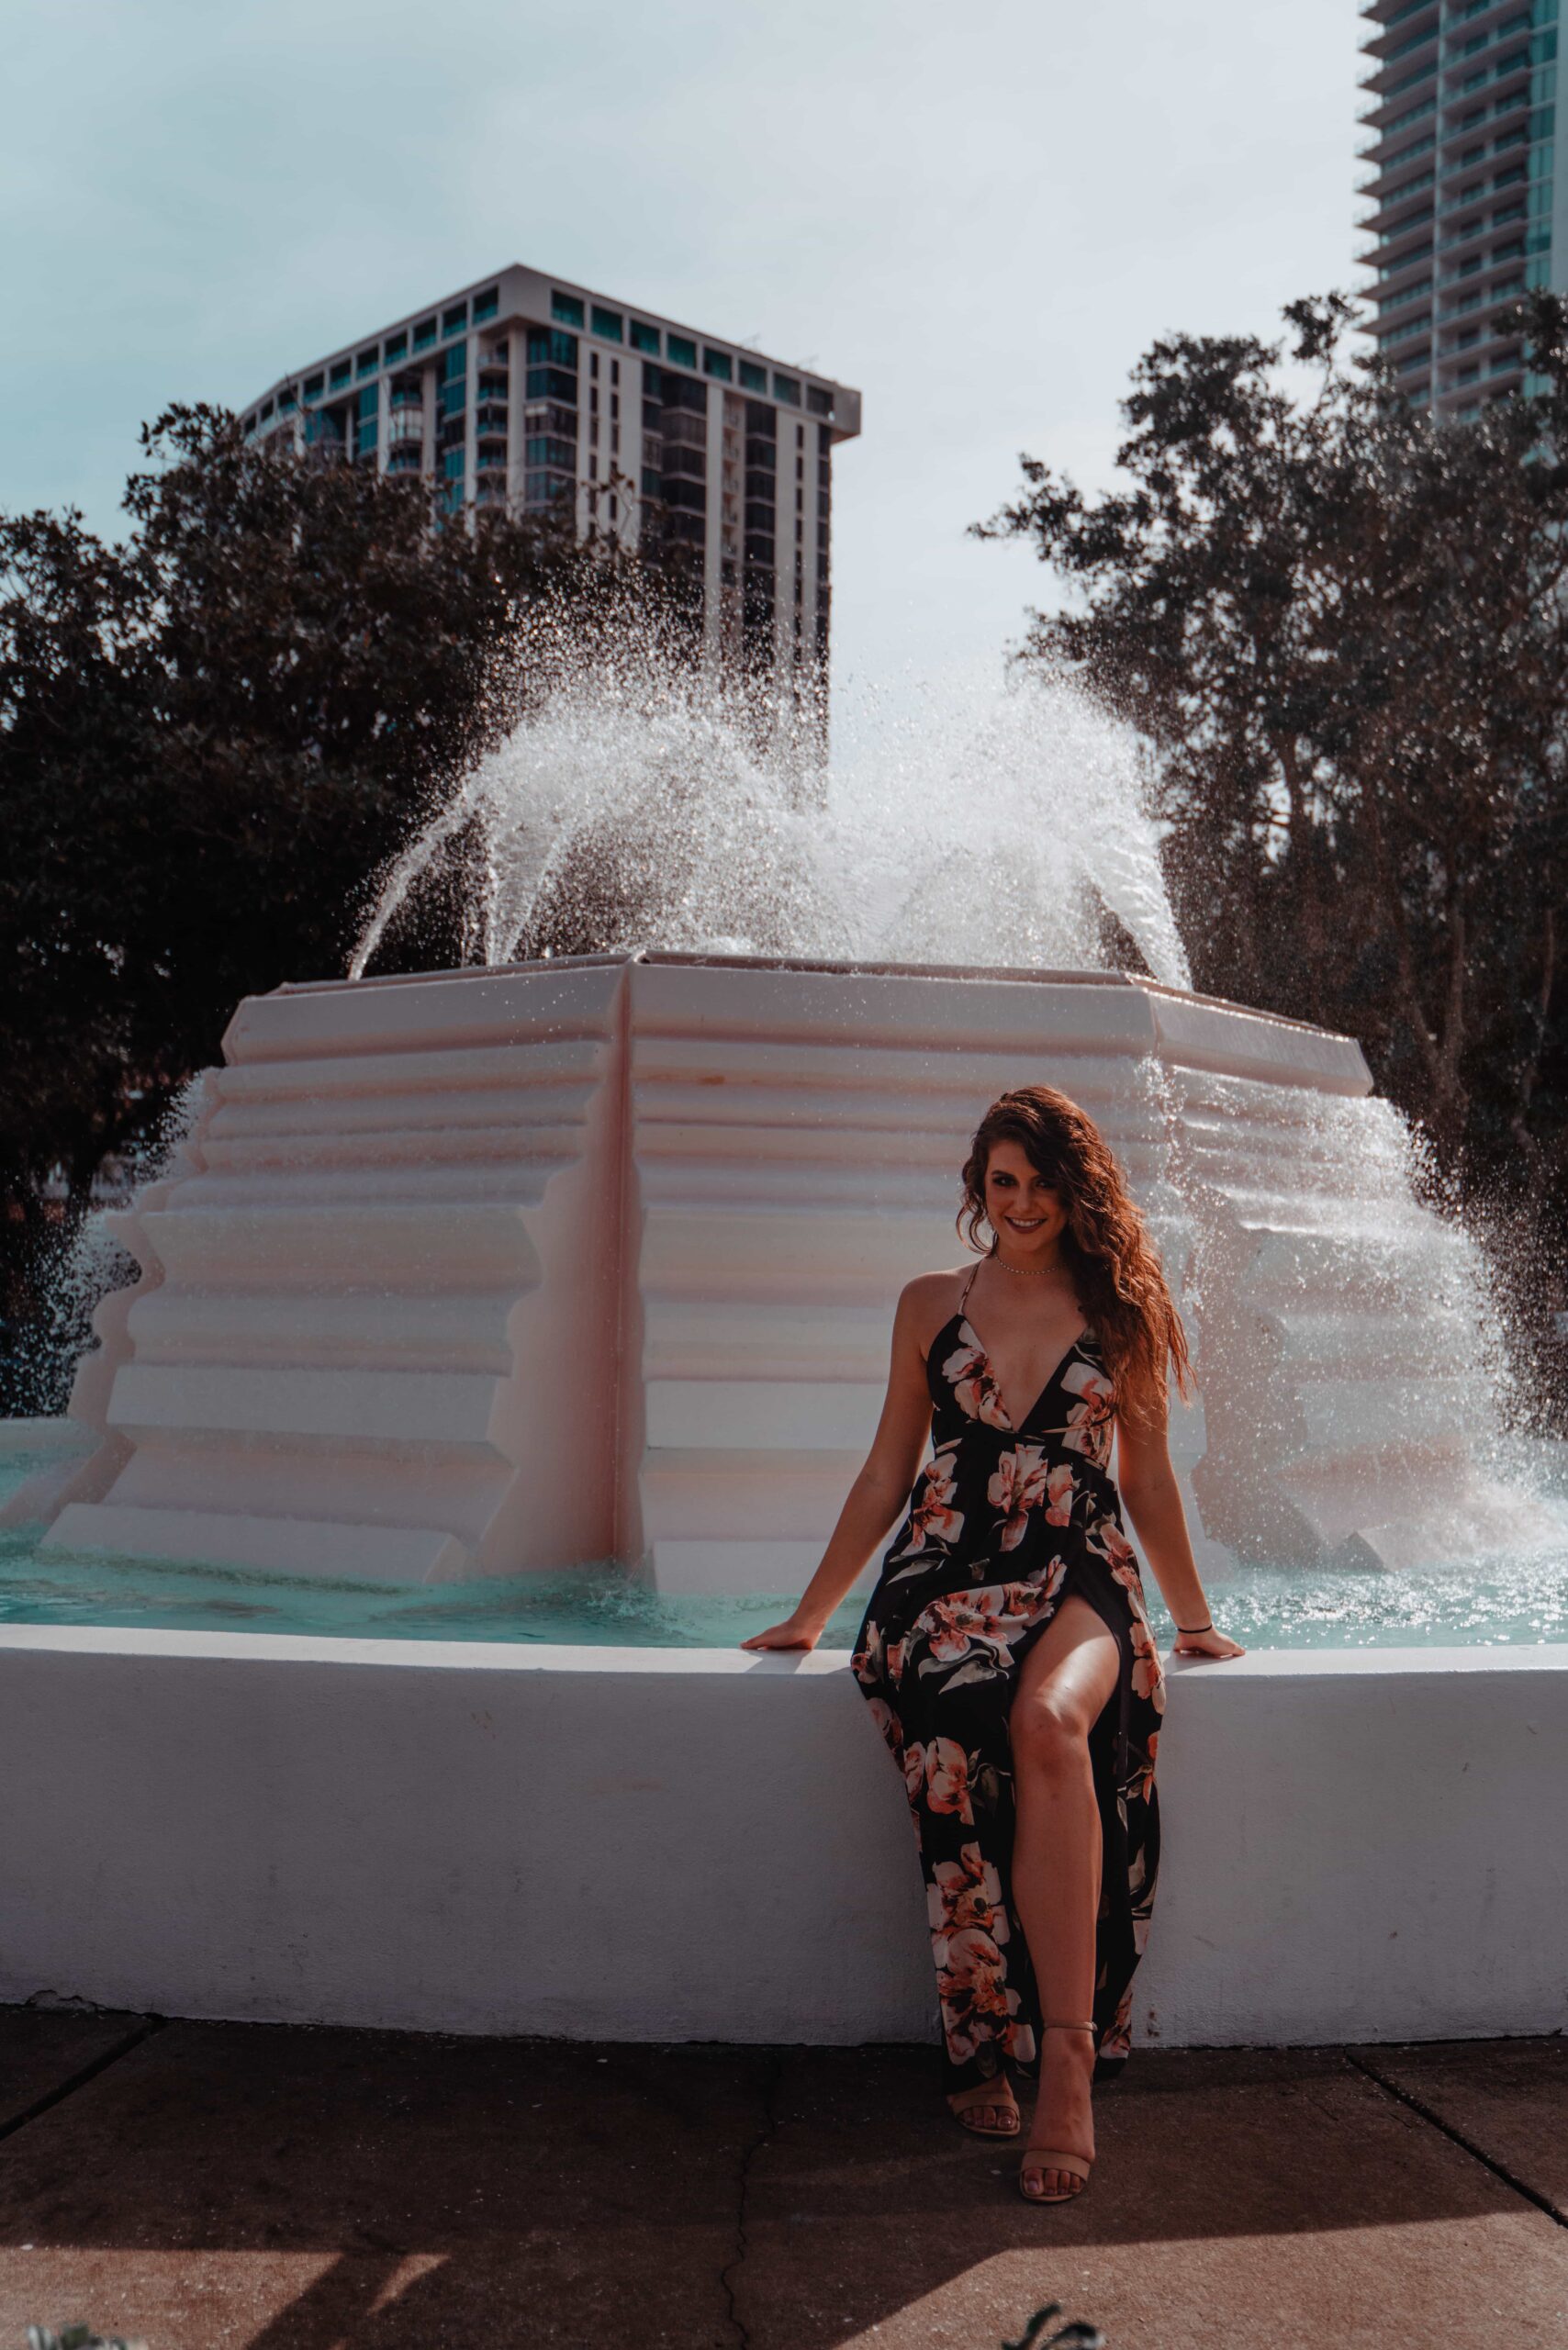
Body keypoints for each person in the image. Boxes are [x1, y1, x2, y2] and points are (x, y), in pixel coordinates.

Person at [742, 1084, 1243, 2205]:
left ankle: (1063, 2052)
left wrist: (1194, 1616)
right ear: (979, 1185)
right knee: (960, 1732)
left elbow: (1149, 1480)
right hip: (943, 1567)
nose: (1019, 1203)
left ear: (1078, 1188)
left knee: (1049, 1720)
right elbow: (886, 1467)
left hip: (1077, 1564)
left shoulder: (1124, 1306)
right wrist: (815, 1609)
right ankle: (976, 2032)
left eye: (1040, 1182)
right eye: (1000, 1181)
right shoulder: (929, 1301)